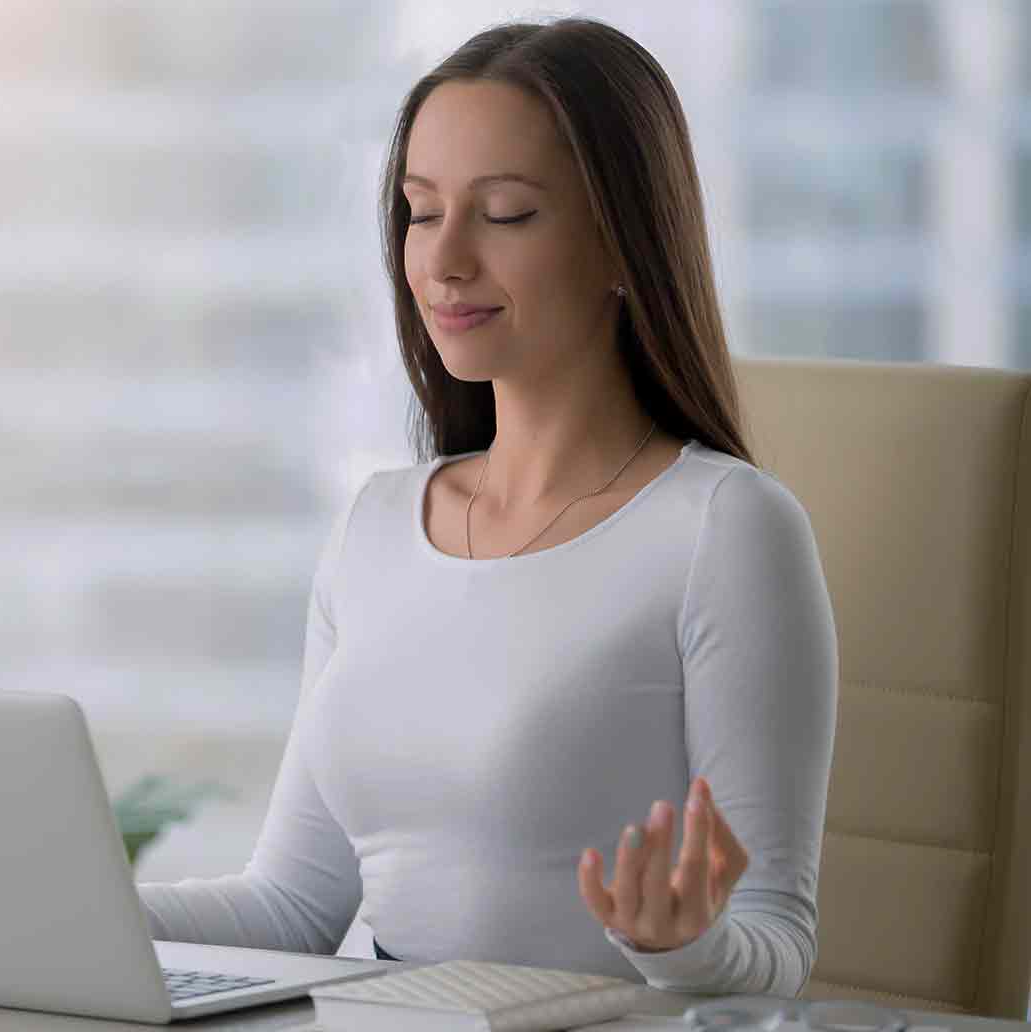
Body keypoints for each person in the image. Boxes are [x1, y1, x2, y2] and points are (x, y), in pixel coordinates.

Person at [136, 18, 837, 997]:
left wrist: (683, 946)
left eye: (505, 213)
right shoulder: (375, 525)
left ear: (622, 243)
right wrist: (68, 905)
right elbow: (291, 908)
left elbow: (775, 949)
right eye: (423, 212)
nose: (445, 259)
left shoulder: (725, 530)